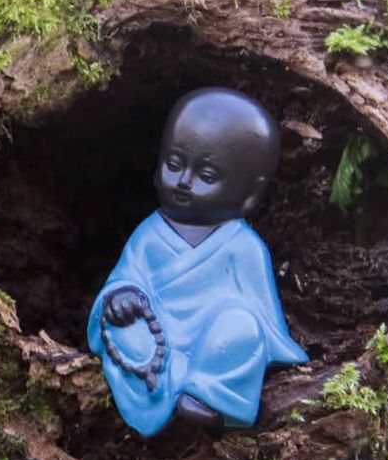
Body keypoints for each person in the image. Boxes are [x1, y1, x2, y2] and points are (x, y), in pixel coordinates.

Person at [87, 88, 308, 436]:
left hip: (213, 346)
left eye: (206, 175)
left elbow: (263, 317)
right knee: (122, 326)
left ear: (251, 194)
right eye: (174, 165)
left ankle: (210, 397)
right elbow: (124, 279)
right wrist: (122, 297)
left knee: (241, 326)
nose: (184, 182)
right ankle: (158, 396)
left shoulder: (244, 246)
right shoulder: (148, 234)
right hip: (154, 335)